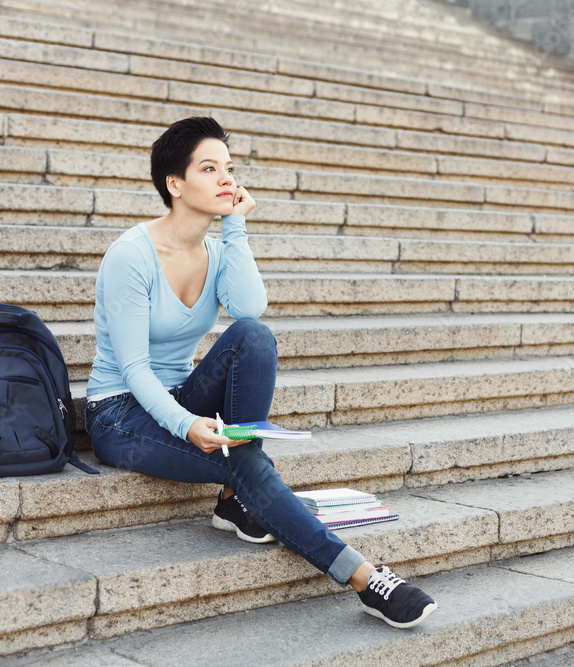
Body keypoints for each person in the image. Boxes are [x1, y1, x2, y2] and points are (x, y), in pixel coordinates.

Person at [84, 116, 437, 629]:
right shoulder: (131, 256)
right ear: (174, 184)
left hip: (180, 391)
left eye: (229, 168)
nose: (227, 178)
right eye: (209, 168)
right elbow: (134, 367)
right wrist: (187, 424)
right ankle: (366, 578)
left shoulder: (216, 247)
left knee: (254, 337)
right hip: (120, 413)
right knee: (241, 460)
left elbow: (250, 308)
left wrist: (236, 227)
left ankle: (235, 501)